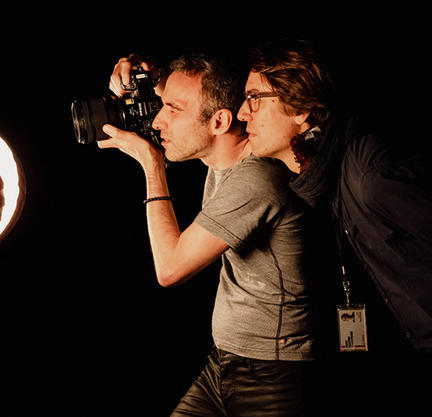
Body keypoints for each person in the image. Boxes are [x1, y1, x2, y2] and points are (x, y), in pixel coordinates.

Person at [100, 53, 330, 416]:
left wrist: (151, 165)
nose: (157, 121)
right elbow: (197, 101)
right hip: (225, 361)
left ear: (220, 122)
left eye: (172, 109)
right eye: (162, 106)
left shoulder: (258, 178)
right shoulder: (225, 153)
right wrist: (149, 77)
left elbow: (170, 269)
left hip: (273, 375)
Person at [236, 38, 432, 414]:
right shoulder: (320, 176)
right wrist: (154, 81)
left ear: (302, 109)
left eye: (254, 98)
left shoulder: (370, 175)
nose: (243, 113)